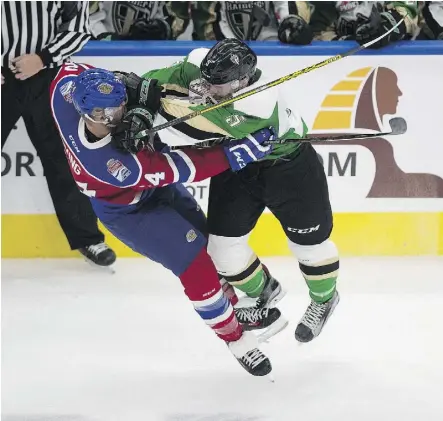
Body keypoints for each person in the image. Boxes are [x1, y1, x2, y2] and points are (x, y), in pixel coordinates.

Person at [49, 61, 284, 376]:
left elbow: (73, 69)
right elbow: (184, 166)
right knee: (195, 264)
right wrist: (236, 153)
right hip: (131, 212)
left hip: (156, 189)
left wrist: (136, 96)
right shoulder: (113, 165)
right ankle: (235, 339)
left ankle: (231, 310)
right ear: (95, 117)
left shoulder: (65, 86)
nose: (123, 110)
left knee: (210, 247)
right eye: (117, 110)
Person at [125, 38, 340, 343]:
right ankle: (265, 291)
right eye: (208, 81)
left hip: (288, 167)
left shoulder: (257, 103)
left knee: (311, 245)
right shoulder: (202, 62)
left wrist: (146, 107)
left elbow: (184, 128)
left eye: (218, 86)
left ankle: (324, 299)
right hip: (238, 164)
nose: (209, 88)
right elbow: (157, 80)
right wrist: (146, 90)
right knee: (222, 251)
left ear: (241, 81)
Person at [1, 1, 115, 266]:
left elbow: (79, 27)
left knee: (63, 160)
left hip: (47, 76)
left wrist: (42, 58)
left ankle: (88, 238)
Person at [168, 1, 313, 43]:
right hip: (217, 52)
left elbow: (285, 4)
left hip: (269, 49)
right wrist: (166, 26)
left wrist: (291, 19)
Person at [309, 1, 419, 45]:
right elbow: (317, 32)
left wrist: (389, 25)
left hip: (397, 52)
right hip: (343, 60)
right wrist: (345, 42)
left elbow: (409, 10)